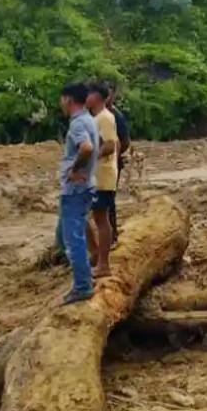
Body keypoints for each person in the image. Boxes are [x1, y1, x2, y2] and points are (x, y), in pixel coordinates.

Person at [57, 82, 100, 305]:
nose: (60, 104)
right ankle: (85, 271)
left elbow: (87, 147)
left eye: (61, 99)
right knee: (63, 234)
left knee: (73, 240)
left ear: (68, 99)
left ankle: (83, 286)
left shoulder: (77, 125)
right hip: (84, 187)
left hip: (75, 190)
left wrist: (75, 169)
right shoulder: (90, 119)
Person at [86, 81, 119, 278]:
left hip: (103, 175)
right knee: (92, 217)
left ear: (97, 96)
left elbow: (110, 146)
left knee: (100, 219)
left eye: (88, 94)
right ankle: (98, 255)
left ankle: (103, 263)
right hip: (96, 175)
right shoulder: (97, 118)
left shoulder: (105, 118)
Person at [106, 84, 131, 242]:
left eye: (109, 95)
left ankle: (112, 234)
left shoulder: (117, 116)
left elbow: (125, 141)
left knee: (108, 199)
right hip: (98, 164)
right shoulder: (95, 115)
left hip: (112, 164)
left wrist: (114, 154)